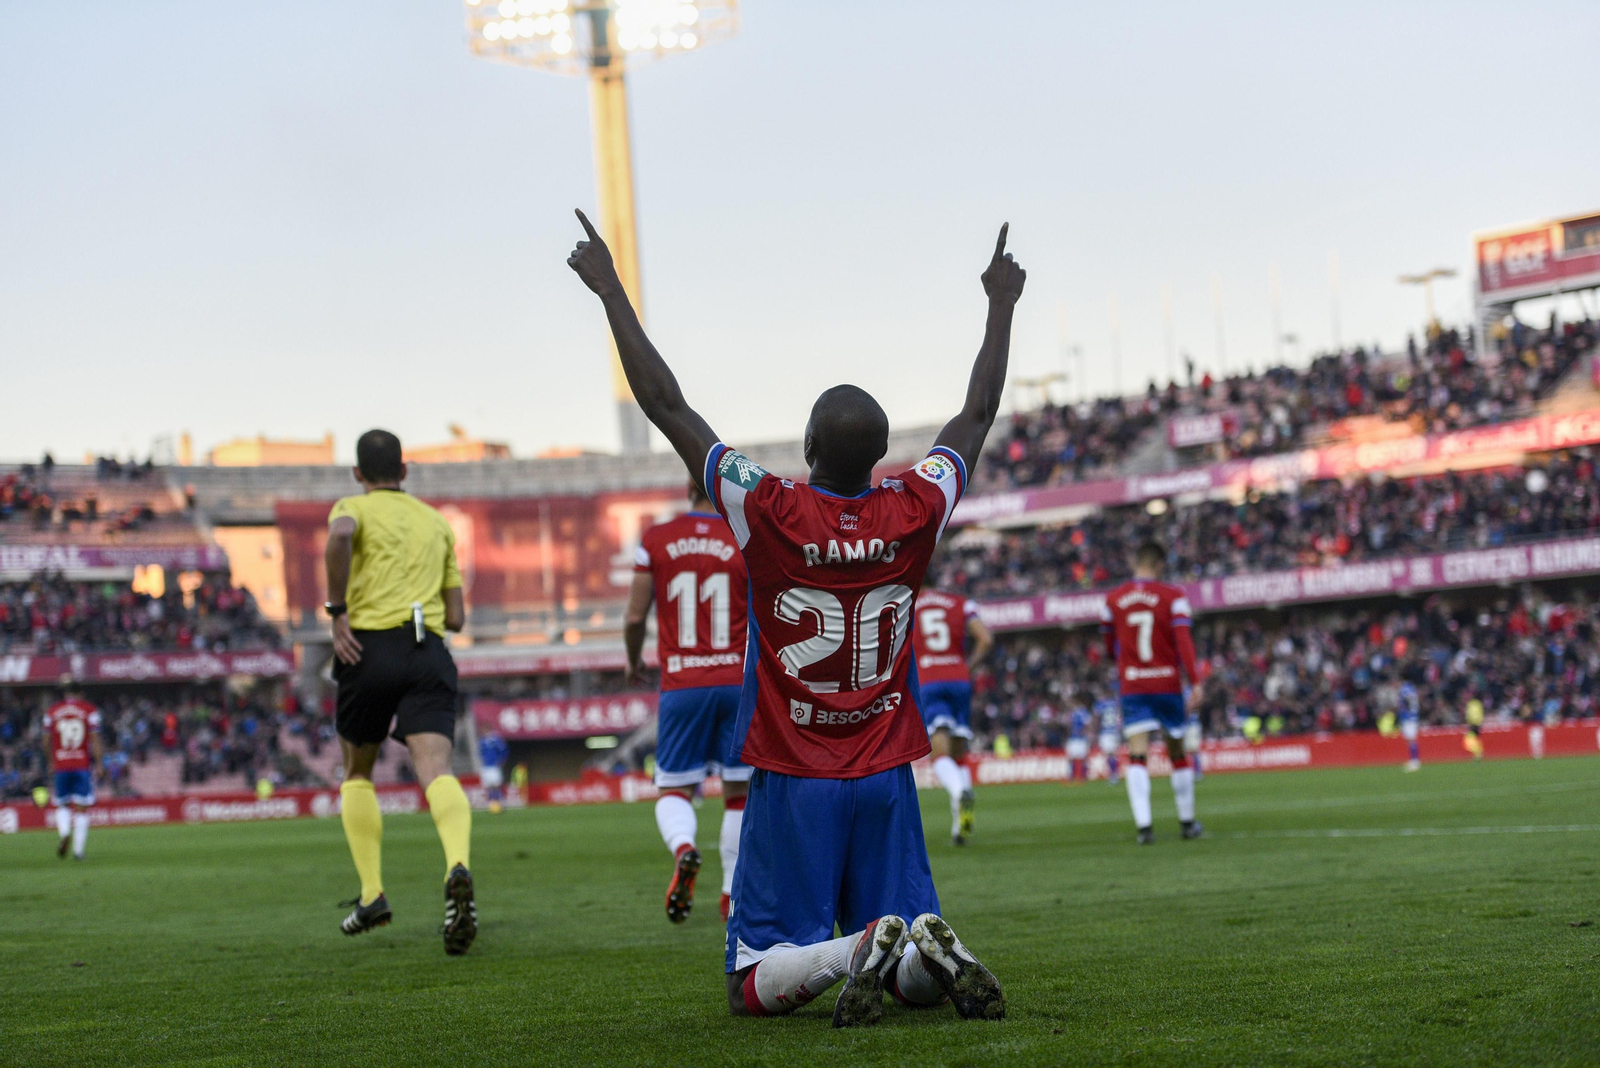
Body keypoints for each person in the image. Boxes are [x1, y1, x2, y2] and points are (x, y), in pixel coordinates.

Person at [569, 210, 1022, 1027]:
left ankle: (855, 950)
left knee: (751, 981)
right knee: (906, 948)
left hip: (794, 770)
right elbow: (977, 413)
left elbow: (667, 404)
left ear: (808, 444)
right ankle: (919, 950)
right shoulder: (916, 506)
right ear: (880, 456)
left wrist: (609, 292)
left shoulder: (767, 507)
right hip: (886, 772)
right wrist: (1000, 306)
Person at [324, 429, 476, 954]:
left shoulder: (352, 507)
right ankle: (457, 863)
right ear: (405, 471)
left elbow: (340, 535)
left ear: (358, 474)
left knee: (357, 774)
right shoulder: (436, 523)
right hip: (427, 651)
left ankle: (372, 895)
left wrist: (337, 612)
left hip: (367, 651)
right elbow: (456, 617)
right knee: (437, 771)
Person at [627, 482, 751, 923]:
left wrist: (631, 660)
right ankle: (729, 895)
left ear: (686, 489)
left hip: (682, 683)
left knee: (673, 788)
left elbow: (634, 616)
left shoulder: (655, 539)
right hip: (736, 680)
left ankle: (684, 849)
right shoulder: (743, 533)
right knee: (739, 794)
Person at [1101, 540, 1202, 844]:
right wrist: (1195, 681)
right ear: (1159, 565)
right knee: (1177, 751)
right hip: (1167, 682)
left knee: (1137, 754)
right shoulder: (1173, 596)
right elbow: (1184, 642)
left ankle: (1145, 828)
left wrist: (1121, 661)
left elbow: (1108, 645)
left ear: (1135, 563)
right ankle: (1186, 822)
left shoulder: (1113, 599)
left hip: (1133, 683)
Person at [910, 586, 992, 843]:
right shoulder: (961, 602)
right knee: (958, 753)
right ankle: (960, 826)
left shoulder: (908, 601)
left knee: (940, 752)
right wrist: (967, 667)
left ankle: (960, 792)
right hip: (959, 679)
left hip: (927, 679)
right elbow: (986, 639)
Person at [44, 686, 101, 860]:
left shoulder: (52, 711)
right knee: (82, 808)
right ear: (81, 693)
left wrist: (50, 761)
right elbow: (94, 739)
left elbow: (45, 740)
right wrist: (99, 763)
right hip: (81, 765)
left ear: (65, 693)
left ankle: (65, 832)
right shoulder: (89, 710)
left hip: (60, 764)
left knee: (62, 804)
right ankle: (78, 852)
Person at [1093, 691, 1122, 785]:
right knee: (1113, 754)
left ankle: (1113, 776)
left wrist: (1095, 731)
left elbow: (1097, 717)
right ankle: (1115, 774)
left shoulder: (1101, 704)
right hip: (1115, 732)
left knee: (1109, 755)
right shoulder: (1115, 704)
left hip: (1106, 732)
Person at [478, 730, 509, 813]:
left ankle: (500, 803)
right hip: (485, 767)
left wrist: (501, 760)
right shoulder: (481, 742)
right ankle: (492, 804)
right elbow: (479, 754)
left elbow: (504, 750)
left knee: (496, 785)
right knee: (488, 787)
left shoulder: (495, 740)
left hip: (494, 767)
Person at [1065, 700, 1091, 782]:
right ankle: (1072, 776)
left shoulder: (1082, 712)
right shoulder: (1073, 713)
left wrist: (1084, 733)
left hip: (1080, 738)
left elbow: (1087, 724)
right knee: (1071, 757)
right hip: (1073, 738)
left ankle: (1083, 775)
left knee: (1082, 757)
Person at [1398, 679, 1421, 771]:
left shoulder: (1406, 689)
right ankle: (1413, 760)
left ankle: (1415, 761)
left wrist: (1404, 707)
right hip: (1413, 716)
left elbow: (1408, 700)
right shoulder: (1413, 689)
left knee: (1411, 739)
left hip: (1409, 717)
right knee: (1410, 739)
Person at [1462, 693, 1485, 760]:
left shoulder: (1471, 704)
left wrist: (1469, 722)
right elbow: (1481, 713)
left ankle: (1478, 753)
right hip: (1478, 723)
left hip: (1473, 724)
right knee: (1476, 738)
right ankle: (1478, 754)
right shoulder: (1479, 704)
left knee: (1468, 739)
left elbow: (1469, 714)